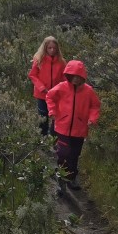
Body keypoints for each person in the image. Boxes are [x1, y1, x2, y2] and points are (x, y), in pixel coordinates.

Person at [46, 60, 101, 196]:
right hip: (62, 128)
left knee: (74, 155)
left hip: (79, 129)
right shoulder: (62, 87)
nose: (75, 79)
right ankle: (61, 180)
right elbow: (49, 96)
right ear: (68, 75)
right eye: (73, 76)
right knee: (63, 154)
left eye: (78, 76)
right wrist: (52, 111)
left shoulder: (88, 91)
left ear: (83, 76)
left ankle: (71, 178)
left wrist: (92, 119)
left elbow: (95, 106)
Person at [28, 36, 66, 136]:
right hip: (42, 95)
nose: (52, 50)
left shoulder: (61, 62)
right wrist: (41, 87)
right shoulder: (39, 60)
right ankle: (42, 138)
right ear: (45, 48)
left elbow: (64, 78)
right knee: (43, 117)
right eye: (50, 48)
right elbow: (32, 75)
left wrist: (60, 90)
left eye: (54, 48)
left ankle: (53, 138)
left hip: (56, 95)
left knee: (55, 117)